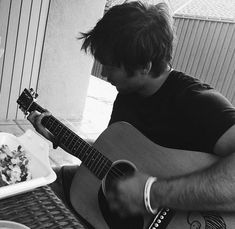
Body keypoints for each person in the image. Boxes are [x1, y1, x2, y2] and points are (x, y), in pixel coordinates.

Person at [27, 1, 235, 228]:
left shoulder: (199, 101)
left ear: (144, 66)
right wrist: (64, 139)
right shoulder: (128, 94)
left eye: (110, 66)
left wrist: (152, 193)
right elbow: (116, 155)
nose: (104, 73)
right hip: (114, 216)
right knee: (32, 185)